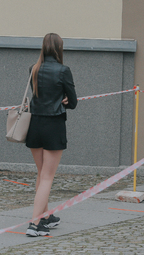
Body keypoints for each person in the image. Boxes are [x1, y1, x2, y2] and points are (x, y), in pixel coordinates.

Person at [25, 33, 77, 236]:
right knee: (47, 177)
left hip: (34, 124)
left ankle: (45, 217)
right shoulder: (64, 70)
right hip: (53, 125)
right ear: (58, 49)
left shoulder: (34, 69)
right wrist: (64, 100)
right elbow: (72, 101)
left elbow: (39, 95)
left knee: (42, 174)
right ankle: (34, 224)